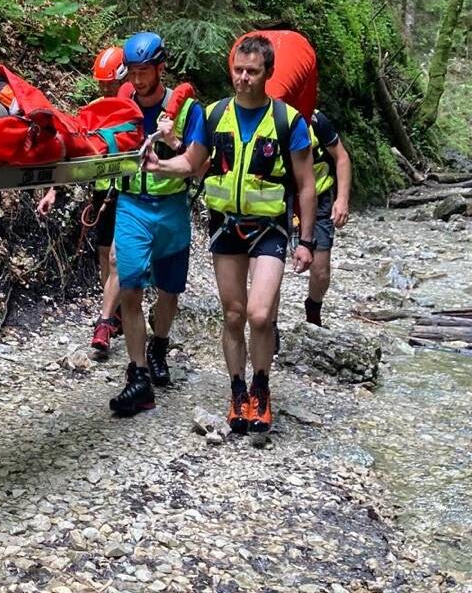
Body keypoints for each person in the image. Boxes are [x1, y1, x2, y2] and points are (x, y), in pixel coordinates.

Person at [143, 34, 316, 435]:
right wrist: (158, 166)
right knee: (234, 314)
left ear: (268, 73)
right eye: (238, 70)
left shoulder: (290, 122)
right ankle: (238, 391)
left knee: (259, 313)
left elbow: (306, 185)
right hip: (226, 227)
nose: (243, 78)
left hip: (270, 228)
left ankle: (262, 386)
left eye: (253, 72)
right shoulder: (216, 113)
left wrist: (306, 241)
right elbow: (191, 162)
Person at [107, 32, 205, 417]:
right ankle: (138, 376)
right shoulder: (120, 105)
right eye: (133, 70)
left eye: (144, 70)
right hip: (132, 204)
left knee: (169, 290)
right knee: (130, 287)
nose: (138, 78)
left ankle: (159, 344)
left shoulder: (187, 109)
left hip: (171, 208)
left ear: (160, 68)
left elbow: (196, 164)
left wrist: (170, 145)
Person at [37, 46, 130, 352]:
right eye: (102, 84)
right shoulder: (96, 109)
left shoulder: (135, 107)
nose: (105, 89)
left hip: (129, 189)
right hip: (103, 189)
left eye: (109, 84)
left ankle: (109, 317)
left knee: (117, 256)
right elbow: (77, 150)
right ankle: (114, 312)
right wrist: (54, 189)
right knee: (104, 254)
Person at [303, 110, 352, 326]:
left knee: (321, 272)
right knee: (271, 267)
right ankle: (270, 326)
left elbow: (341, 158)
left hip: (319, 198)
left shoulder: (316, 119)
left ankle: (313, 308)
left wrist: (342, 199)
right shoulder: (270, 115)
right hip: (280, 199)